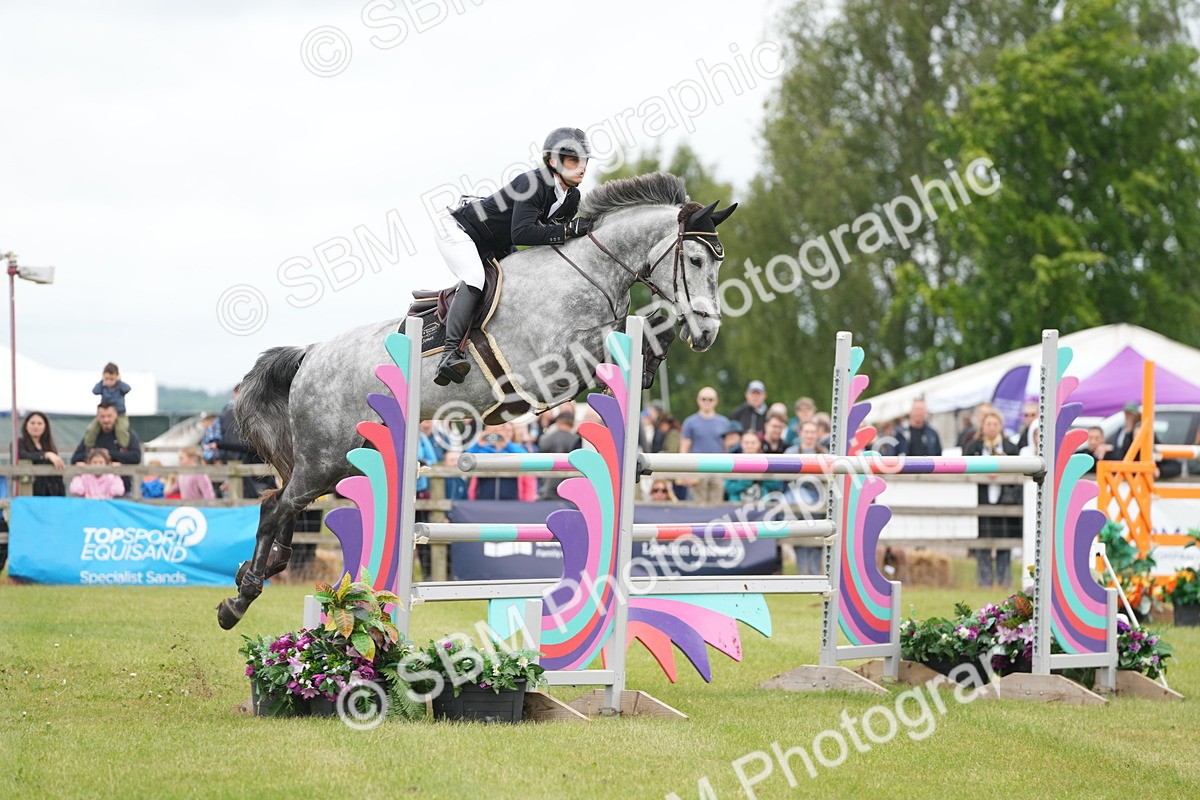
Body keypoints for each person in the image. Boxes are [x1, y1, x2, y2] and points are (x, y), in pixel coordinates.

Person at [433, 127, 595, 386]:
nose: (582, 167)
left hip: (496, 241)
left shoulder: (571, 197)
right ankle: (450, 353)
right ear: (553, 161)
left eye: (584, 161)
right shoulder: (533, 183)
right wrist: (567, 229)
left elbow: (554, 239)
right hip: (462, 231)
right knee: (475, 278)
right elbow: (521, 233)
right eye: (574, 160)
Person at [964, 411, 1021, 588]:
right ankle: (984, 582)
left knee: (1005, 541)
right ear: (982, 426)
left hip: (1006, 501)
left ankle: (1005, 581)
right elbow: (966, 468)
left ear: (1000, 426)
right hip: (982, 500)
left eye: (995, 424)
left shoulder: (1010, 448)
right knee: (983, 540)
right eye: (988, 424)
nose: (991, 427)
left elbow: (1018, 473)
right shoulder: (973, 447)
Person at [71, 402, 142, 493]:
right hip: (92, 491)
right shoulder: (91, 436)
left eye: (109, 416)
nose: (106, 420)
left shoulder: (127, 435)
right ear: (97, 417)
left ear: (116, 415)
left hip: (121, 490)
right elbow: (75, 459)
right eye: (102, 416)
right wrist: (95, 455)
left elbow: (136, 457)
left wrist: (109, 454)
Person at [680, 387, 730, 505]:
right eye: (704, 399)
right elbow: (684, 448)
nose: (707, 402)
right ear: (698, 400)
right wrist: (684, 472)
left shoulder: (724, 422)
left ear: (716, 401)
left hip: (718, 468)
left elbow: (727, 448)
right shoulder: (690, 422)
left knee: (717, 505)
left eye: (710, 399)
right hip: (697, 468)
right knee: (698, 505)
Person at [465, 424, 532, 501]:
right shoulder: (482, 449)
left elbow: (526, 458)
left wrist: (507, 444)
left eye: (499, 429)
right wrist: (478, 444)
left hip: (510, 496)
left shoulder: (512, 448)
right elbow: (465, 460)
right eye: (492, 429)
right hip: (484, 495)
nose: (495, 432)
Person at [85, 362, 132, 449]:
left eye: (112, 379)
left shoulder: (120, 387)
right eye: (107, 379)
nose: (109, 381)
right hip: (104, 413)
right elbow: (95, 391)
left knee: (121, 430)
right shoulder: (103, 387)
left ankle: (124, 447)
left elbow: (128, 388)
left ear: (117, 376)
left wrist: (119, 381)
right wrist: (102, 381)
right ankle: (88, 446)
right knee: (91, 428)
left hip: (119, 414)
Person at [18, 411, 65, 497]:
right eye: (32, 423)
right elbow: (23, 455)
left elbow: (58, 473)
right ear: (26, 425)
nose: (36, 426)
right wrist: (45, 455)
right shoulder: (19, 442)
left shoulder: (50, 445)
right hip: (29, 491)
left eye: (39, 423)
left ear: (45, 426)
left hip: (51, 493)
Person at [537, 411, 582, 500]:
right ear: (572, 423)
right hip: (566, 492)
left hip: (544, 489)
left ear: (558, 422)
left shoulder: (544, 439)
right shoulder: (576, 440)